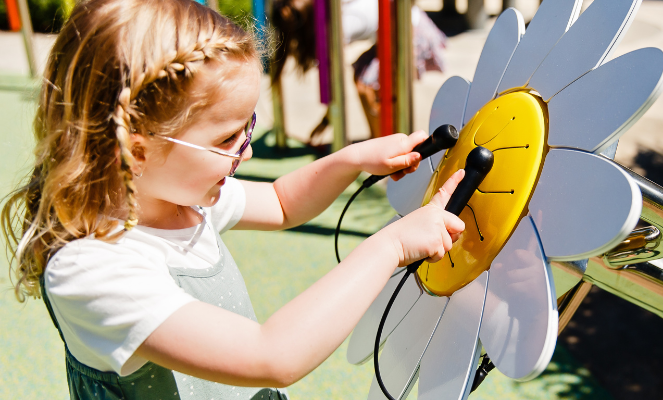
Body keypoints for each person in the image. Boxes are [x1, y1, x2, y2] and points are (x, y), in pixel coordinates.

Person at [0, 0, 464, 398]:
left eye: (249, 125)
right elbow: (272, 355)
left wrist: (350, 160)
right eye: (225, 138)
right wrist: (392, 245)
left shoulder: (178, 199)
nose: (247, 148)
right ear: (137, 149)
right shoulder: (93, 269)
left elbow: (283, 202)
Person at [271, 0, 447, 145]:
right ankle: (380, 138)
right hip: (395, 30)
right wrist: (328, 119)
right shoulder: (331, 14)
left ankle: (384, 142)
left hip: (411, 30)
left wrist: (330, 118)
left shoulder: (342, 24)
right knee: (362, 74)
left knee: (366, 84)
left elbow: (334, 78)